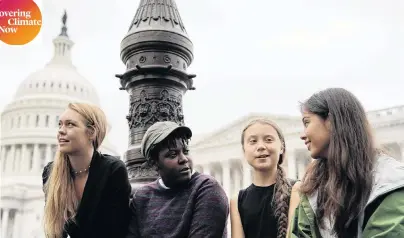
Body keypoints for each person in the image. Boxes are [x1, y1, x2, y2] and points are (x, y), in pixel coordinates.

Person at [288, 88, 404, 238]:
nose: (302, 135)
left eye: (307, 122)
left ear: (331, 121)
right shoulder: (312, 190)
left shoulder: (391, 184)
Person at [42, 102, 132, 238]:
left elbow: (117, 230)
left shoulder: (112, 170)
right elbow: (54, 232)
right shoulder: (50, 172)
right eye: (60, 124)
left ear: (91, 133)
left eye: (70, 124)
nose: (61, 130)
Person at [126, 121, 229, 238]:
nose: (184, 159)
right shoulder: (142, 197)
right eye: (172, 154)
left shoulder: (207, 189)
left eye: (185, 151)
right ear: (154, 164)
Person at [230, 119, 298, 238]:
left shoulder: (297, 190)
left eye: (268, 140)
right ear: (244, 151)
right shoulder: (237, 201)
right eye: (253, 141)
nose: (261, 146)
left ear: (281, 147)